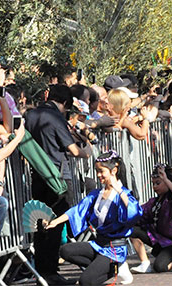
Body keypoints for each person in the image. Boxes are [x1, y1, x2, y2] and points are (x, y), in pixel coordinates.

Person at [45, 151, 142, 286]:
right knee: (66, 251)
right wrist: (55, 221)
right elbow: (77, 210)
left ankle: (116, 267)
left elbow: (134, 213)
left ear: (113, 170)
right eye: (97, 171)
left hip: (114, 249)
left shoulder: (123, 194)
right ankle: (109, 267)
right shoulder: (97, 194)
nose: (98, 175)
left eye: (101, 171)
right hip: (98, 244)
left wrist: (119, 190)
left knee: (85, 281)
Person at [25, 84, 90, 285]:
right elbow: (73, 149)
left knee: (39, 224)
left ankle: (42, 271)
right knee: (55, 224)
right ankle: (50, 272)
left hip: (37, 176)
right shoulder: (55, 118)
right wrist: (86, 149)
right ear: (64, 103)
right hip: (58, 177)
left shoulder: (30, 115)